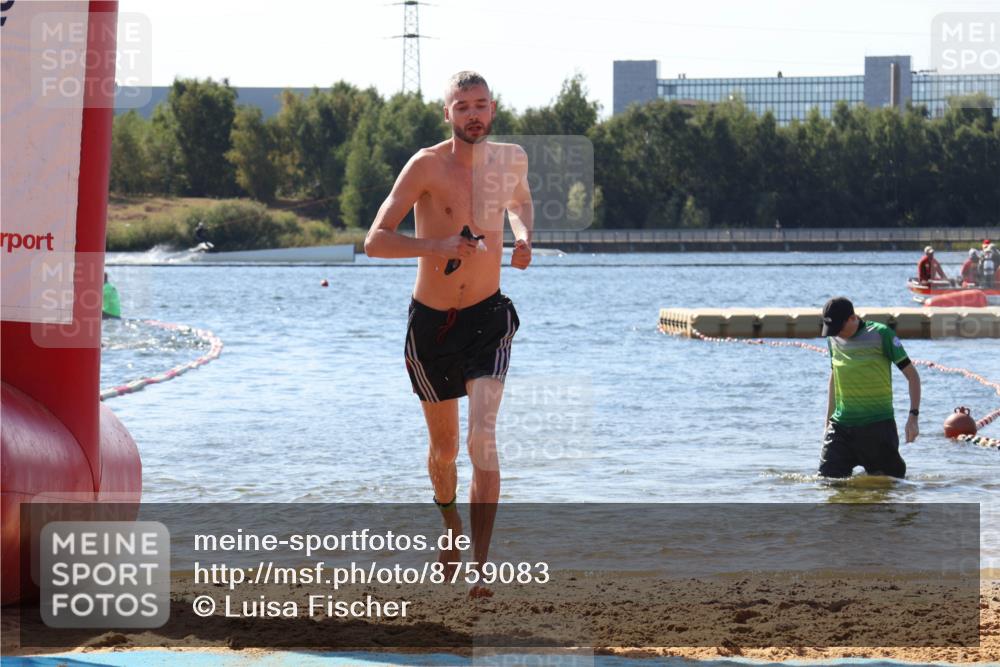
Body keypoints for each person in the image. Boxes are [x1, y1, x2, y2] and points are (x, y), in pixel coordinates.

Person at [364, 71, 533, 598]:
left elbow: (520, 204)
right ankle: (451, 528)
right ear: (448, 114)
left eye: (481, 105)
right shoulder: (426, 165)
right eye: (463, 107)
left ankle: (482, 568)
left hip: (488, 319)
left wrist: (525, 237)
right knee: (444, 453)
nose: (473, 114)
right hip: (432, 326)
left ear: (494, 109)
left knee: (483, 440)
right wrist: (438, 247)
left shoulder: (511, 161)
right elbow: (375, 241)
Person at [818, 297, 921, 479]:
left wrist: (913, 417)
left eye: (839, 329)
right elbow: (834, 377)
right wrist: (827, 423)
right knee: (827, 482)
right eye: (832, 331)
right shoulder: (833, 338)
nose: (837, 334)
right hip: (840, 427)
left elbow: (912, 376)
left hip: (878, 426)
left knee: (889, 483)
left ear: (853, 318)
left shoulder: (881, 334)